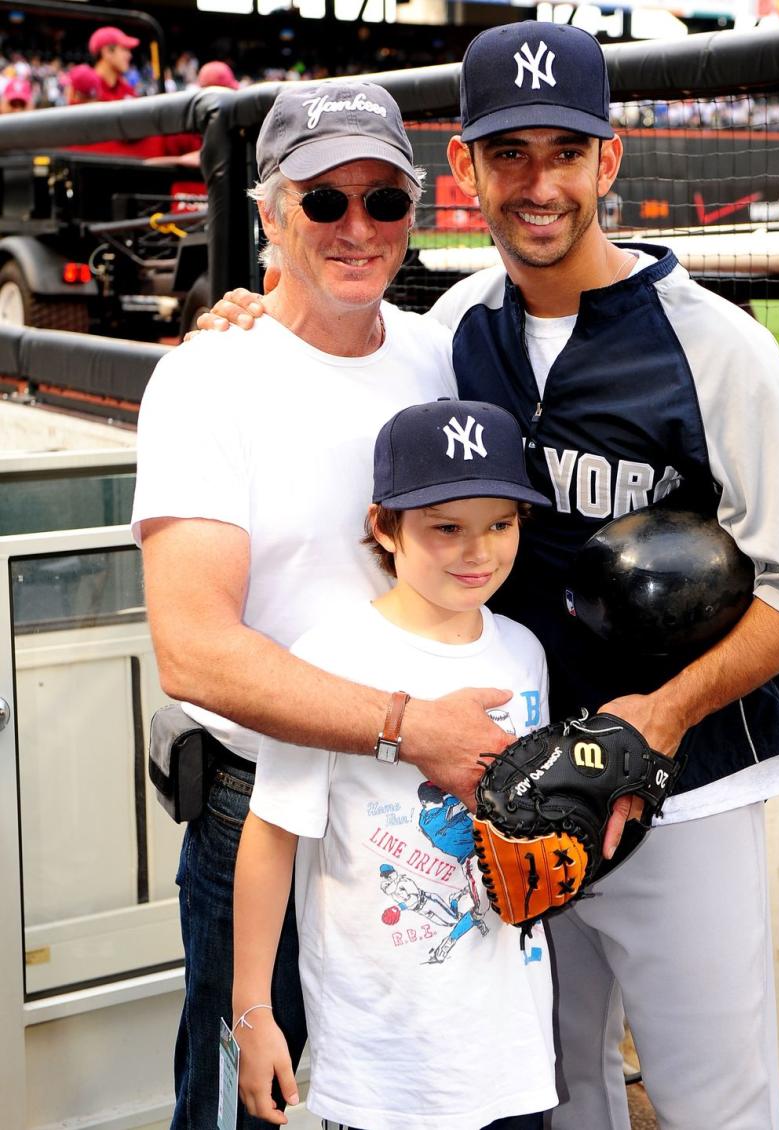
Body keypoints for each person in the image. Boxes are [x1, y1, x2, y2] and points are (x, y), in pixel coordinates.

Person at [198, 24, 779, 1128]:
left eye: (563, 151)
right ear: (467, 171)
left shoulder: (714, 345)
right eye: (506, 153)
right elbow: (328, 344)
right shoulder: (455, 332)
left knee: (715, 1100)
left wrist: (662, 717)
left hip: (692, 783)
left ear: (608, 162)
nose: (537, 182)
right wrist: (245, 312)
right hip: (511, 785)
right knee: (556, 1097)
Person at [131, 81, 512, 1130]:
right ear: (270, 214)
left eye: (383, 201)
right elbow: (197, 651)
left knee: (409, 1103)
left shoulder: (439, 359)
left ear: (416, 210)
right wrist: (408, 725)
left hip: (419, 816)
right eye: (323, 200)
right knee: (253, 1105)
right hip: (265, 808)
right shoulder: (211, 381)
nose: (356, 228)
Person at [232, 398, 556, 1129]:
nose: (478, 552)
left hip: (512, 1048)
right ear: (384, 526)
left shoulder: (524, 651)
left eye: (499, 524)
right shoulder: (330, 661)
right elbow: (273, 833)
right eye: (446, 528)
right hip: (388, 1060)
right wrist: (253, 1008)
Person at [89, 25, 139, 101]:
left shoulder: (126, 89)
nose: (130, 55)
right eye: (125, 49)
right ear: (107, 52)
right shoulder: (87, 88)